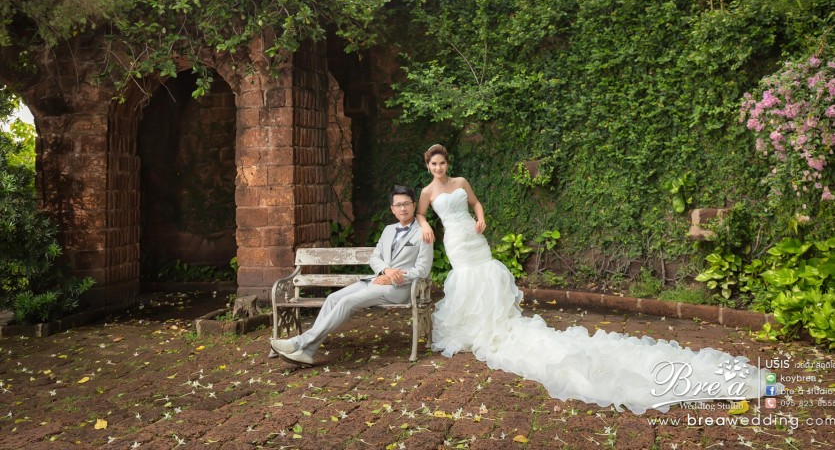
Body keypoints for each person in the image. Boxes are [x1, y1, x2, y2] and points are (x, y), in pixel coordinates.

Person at [416, 144, 771, 414]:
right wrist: (426, 223)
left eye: (442, 163)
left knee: (487, 276)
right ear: (428, 167)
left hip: (474, 237)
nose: (438, 168)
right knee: (467, 279)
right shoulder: (428, 192)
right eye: (433, 164)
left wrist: (481, 219)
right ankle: (474, 324)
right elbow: (418, 214)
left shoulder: (461, 182)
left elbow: (476, 204)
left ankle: (493, 321)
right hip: (455, 242)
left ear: (448, 163)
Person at [270, 184, 433, 366]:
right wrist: (385, 270)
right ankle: (308, 352)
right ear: (392, 209)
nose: (403, 208)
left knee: (347, 302)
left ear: (413, 205)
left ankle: (299, 343)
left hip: (399, 288)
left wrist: (394, 276)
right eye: (398, 205)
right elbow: (375, 257)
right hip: (376, 280)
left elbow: (423, 270)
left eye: (406, 204)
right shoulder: (388, 230)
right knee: (332, 298)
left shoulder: (424, 232)